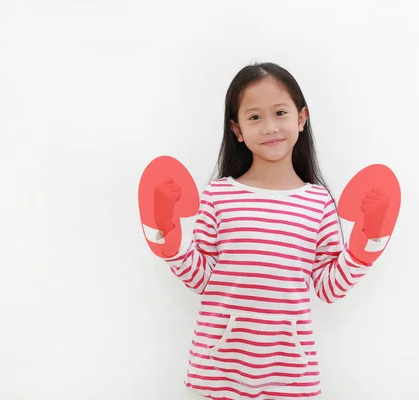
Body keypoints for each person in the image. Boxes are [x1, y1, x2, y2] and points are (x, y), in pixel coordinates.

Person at [153, 62, 389, 399]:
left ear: (301, 118)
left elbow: (329, 288)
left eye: (280, 112)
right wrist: (166, 231)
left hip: (291, 372)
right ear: (237, 130)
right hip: (218, 368)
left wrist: (368, 241)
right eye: (254, 117)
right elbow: (201, 278)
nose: (269, 127)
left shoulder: (318, 202)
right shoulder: (218, 195)